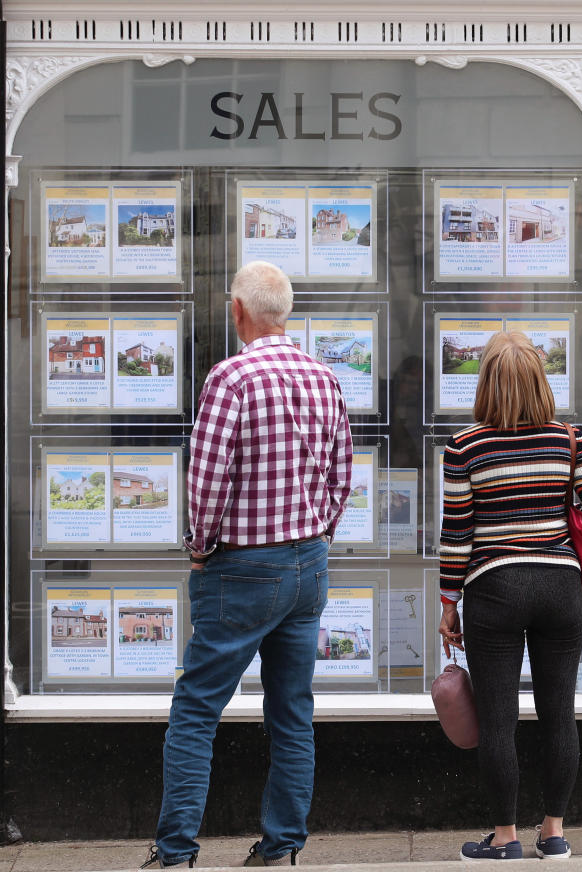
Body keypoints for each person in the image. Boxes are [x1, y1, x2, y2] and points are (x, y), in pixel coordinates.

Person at [143, 261, 354, 869]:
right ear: (284, 312)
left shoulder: (229, 379)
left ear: (237, 311)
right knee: (292, 712)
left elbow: (206, 481)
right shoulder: (324, 378)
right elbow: (343, 477)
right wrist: (317, 535)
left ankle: (177, 849)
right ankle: (282, 844)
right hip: (307, 563)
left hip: (239, 567)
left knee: (196, 709)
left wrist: (200, 545)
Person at [439, 331, 582, 862]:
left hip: (494, 589)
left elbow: (458, 534)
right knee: (558, 713)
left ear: (487, 383)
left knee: (498, 719)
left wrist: (449, 601)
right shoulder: (569, 440)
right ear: (541, 381)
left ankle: (504, 838)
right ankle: (554, 833)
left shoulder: (466, 446)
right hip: (560, 587)